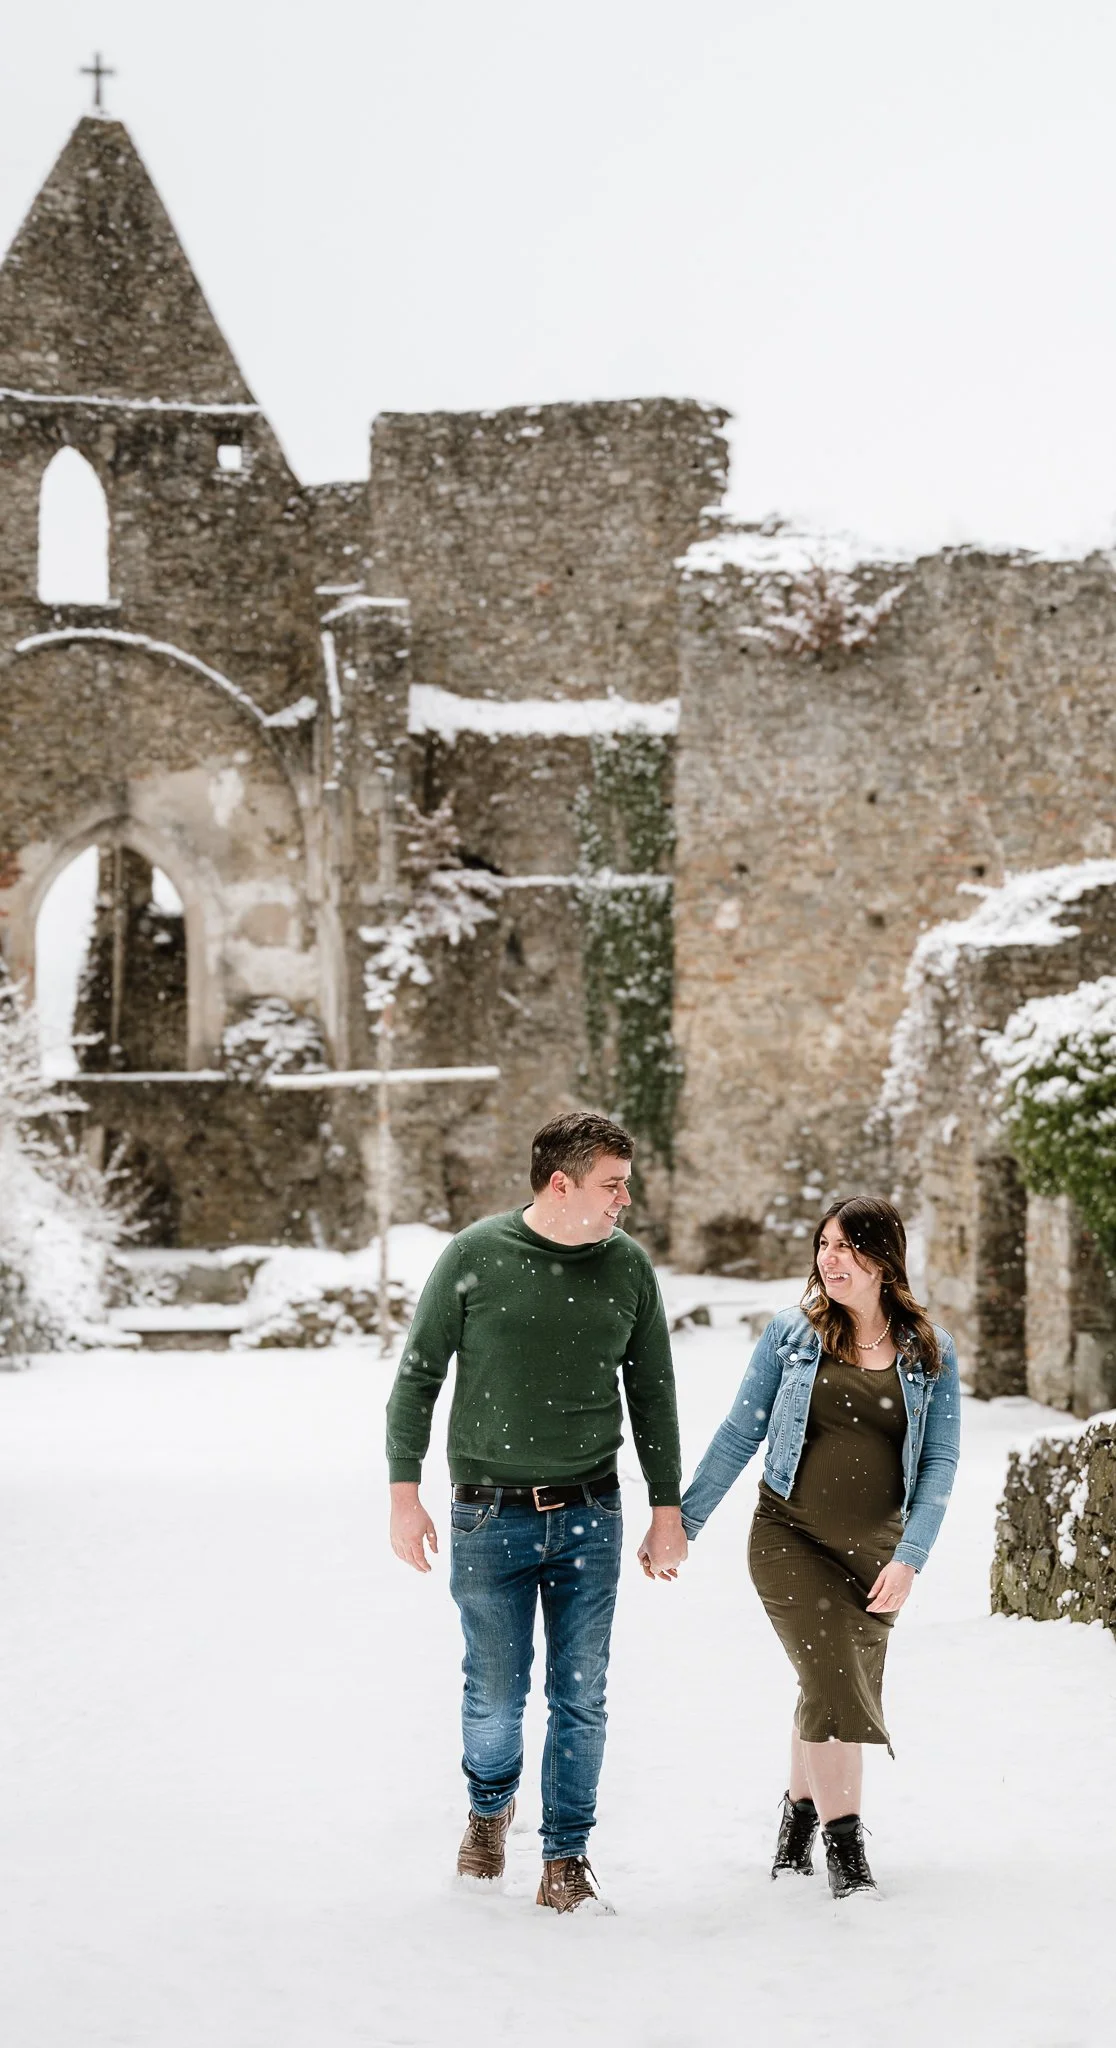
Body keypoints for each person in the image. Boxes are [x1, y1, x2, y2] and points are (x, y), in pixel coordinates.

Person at [386, 1110, 687, 1913]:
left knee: (581, 1695)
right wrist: (403, 1495)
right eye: (612, 1185)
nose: (626, 1199)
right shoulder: (476, 1257)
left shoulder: (628, 1270)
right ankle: (489, 1808)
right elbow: (417, 1377)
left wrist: (667, 1509)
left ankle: (566, 1856)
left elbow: (653, 1393)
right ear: (562, 1184)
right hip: (488, 1516)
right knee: (494, 1693)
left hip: (592, 1510)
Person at [680, 1195, 960, 1900]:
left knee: (825, 1688)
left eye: (845, 1247)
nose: (828, 1259)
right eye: (824, 1245)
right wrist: (682, 1523)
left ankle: (796, 1825)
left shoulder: (929, 1351)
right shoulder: (791, 1334)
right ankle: (848, 1853)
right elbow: (740, 1433)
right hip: (789, 1538)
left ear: (882, 1260)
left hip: (875, 1556)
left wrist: (911, 1556)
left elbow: (939, 1465)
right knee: (837, 1685)